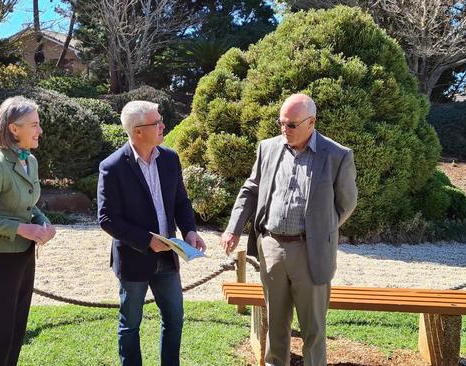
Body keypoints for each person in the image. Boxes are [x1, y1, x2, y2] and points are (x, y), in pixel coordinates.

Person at [220, 94, 358, 366]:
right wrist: (233, 228)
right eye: (281, 123)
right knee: (276, 324)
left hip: (311, 252)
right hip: (271, 248)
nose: (285, 130)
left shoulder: (337, 156)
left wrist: (321, 231)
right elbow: (251, 189)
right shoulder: (268, 148)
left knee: (313, 329)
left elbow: (346, 204)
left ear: (311, 122)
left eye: (292, 125)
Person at [97, 100, 206, 366]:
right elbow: (107, 219)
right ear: (137, 131)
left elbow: (181, 201)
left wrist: (190, 230)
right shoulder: (112, 167)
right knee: (130, 323)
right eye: (157, 122)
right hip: (134, 258)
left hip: (169, 257)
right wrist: (147, 241)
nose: (163, 126)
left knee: (174, 319)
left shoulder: (170, 158)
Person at [0, 96, 56, 366]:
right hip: (0, 261)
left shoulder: (31, 161)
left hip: (24, 256)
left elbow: (29, 205)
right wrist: (21, 229)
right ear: (13, 129)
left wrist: (42, 222)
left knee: (17, 330)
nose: (40, 130)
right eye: (34, 125)